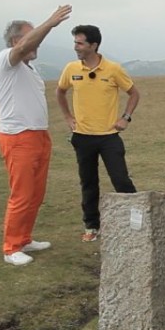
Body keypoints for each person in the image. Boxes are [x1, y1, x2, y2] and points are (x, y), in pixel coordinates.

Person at [0, 5, 73, 266]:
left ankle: (24, 238)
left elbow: (28, 45)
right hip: (18, 137)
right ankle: (11, 247)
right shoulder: (6, 59)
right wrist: (49, 23)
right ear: (18, 40)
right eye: (32, 36)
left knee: (36, 193)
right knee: (22, 193)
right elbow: (22, 47)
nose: (37, 42)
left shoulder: (28, 68)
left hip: (38, 135)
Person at [56, 25, 140, 242]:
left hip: (109, 137)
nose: (76, 47)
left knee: (121, 180)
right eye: (75, 42)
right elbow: (60, 91)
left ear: (93, 45)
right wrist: (67, 117)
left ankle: (136, 222)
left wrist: (126, 117)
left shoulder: (113, 69)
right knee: (88, 182)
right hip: (82, 137)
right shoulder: (71, 69)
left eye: (80, 43)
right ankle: (92, 226)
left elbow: (133, 93)